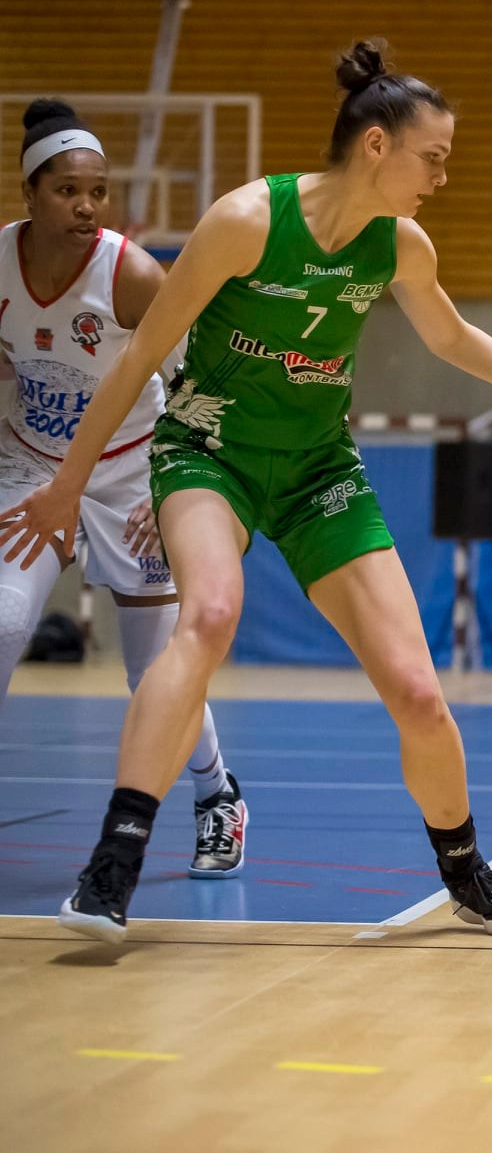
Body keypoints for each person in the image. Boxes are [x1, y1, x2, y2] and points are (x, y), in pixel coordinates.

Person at [1, 42, 492, 944]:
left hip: (318, 471)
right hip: (210, 453)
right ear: (379, 146)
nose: (442, 175)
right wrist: (71, 484)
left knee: (419, 692)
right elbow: (144, 357)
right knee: (208, 618)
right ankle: (111, 865)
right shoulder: (244, 221)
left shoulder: (400, 244)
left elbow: (454, 336)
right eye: (435, 157)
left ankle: (467, 873)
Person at [0, 99, 247, 879]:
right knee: (4, 618)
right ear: (31, 192)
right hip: (36, 468)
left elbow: (207, 374)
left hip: (131, 471)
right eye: (68, 190)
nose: (86, 205)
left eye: (98, 192)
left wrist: (169, 485)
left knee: (154, 673)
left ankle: (217, 797)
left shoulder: (132, 272)